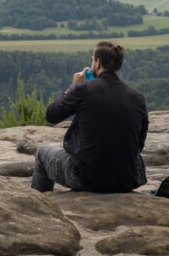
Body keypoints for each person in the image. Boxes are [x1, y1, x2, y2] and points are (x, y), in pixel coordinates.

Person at [31, 41, 149, 193]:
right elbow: (139, 144)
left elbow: (51, 115)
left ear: (98, 62)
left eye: (93, 59)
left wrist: (73, 87)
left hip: (87, 178)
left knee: (42, 153)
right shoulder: (138, 98)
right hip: (127, 179)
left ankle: (38, 208)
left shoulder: (83, 90)